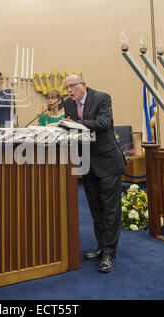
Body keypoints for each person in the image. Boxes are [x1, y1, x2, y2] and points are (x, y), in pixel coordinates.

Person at [62, 74, 126, 273]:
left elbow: (104, 123)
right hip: (87, 163)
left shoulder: (102, 98)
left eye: (72, 86)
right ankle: (101, 246)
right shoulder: (68, 103)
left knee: (110, 209)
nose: (69, 91)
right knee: (96, 208)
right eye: (67, 88)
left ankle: (109, 253)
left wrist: (75, 124)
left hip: (107, 161)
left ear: (83, 85)